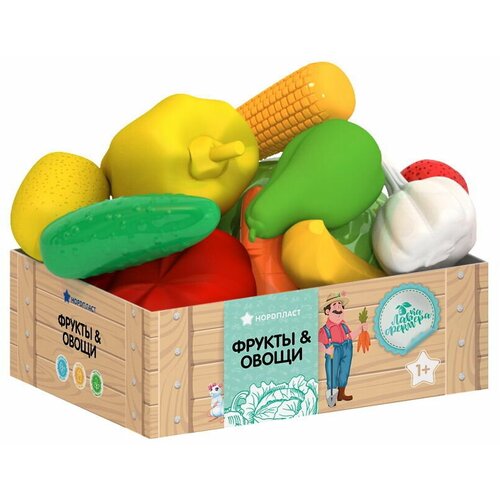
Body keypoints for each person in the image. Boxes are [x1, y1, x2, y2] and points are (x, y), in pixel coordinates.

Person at [318, 292, 366, 407]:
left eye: (340, 305)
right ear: (327, 311)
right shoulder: (324, 329)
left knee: (344, 372)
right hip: (333, 351)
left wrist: (360, 329)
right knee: (332, 374)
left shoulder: (344, 325)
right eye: (334, 305)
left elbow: (350, 336)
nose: (338, 307)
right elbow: (319, 343)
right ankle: (331, 399)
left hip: (346, 348)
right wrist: (326, 350)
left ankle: (341, 394)